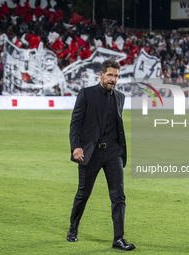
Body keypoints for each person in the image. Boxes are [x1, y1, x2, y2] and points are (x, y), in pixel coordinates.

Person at [67, 59, 135, 251]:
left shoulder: (120, 97)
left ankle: (118, 238)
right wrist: (76, 146)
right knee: (83, 193)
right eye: (110, 75)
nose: (113, 79)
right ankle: (73, 228)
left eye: (116, 76)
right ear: (101, 75)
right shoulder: (86, 94)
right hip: (91, 153)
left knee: (118, 196)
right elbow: (75, 123)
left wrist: (120, 152)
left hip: (113, 153)